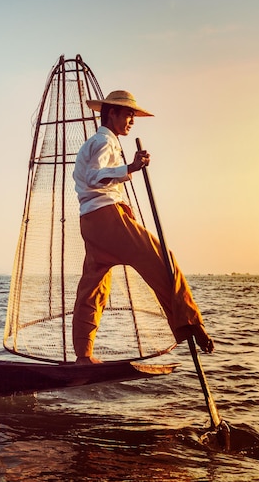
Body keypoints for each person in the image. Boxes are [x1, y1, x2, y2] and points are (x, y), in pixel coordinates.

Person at [72, 90, 214, 365]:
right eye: (127, 114)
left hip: (91, 222)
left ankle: (83, 354)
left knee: (93, 287)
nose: (132, 121)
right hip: (107, 218)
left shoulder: (98, 142)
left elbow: (92, 179)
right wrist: (132, 167)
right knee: (164, 261)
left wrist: (125, 179)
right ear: (110, 113)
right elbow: (93, 176)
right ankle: (190, 323)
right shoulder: (104, 141)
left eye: (133, 116)